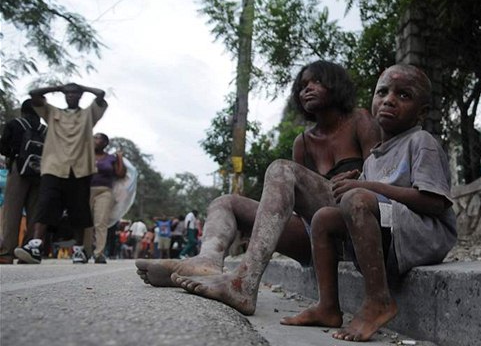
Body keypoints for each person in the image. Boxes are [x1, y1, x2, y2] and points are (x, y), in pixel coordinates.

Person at [136, 60, 380, 297]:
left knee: (281, 169)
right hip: (314, 235)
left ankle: (244, 282)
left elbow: (381, 179)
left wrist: (359, 179)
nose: (307, 89)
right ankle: (206, 261)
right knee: (225, 202)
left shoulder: (360, 120)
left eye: (317, 81)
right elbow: (302, 205)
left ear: (335, 84)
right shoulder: (303, 142)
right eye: (303, 85)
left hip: (355, 225)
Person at [279, 64, 457, 341]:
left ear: (421, 112)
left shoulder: (421, 141)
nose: (389, 100)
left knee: (357, 198)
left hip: (425, 235)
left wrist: (366, 186)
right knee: (325, 217)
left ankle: (378, 300)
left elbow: (435, 203)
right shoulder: (374, 157)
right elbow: (369, 201)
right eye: (382, 92)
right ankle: (327, 306)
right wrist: (356, 181)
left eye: (404, 95)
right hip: (395, 232)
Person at [14, 83, 108, 264]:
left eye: (75, 93)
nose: (71, 96)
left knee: (79, 208)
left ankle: (79, 250)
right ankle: (35, 245)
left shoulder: (89, 114)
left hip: (80, 168)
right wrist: (59, 87)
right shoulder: (52, 112)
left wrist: (81, 87)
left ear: (80, 96)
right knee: (46, 204)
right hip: (54, 167)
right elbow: (34, 94)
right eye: (68, 93)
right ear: (64, 95)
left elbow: (101, 94)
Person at [0, 99, 45, 264]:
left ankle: (7, 252)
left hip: (18, 170)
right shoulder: (44, 129)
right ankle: (27, 250)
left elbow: (3, 147)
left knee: (12, 212)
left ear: (23, 111)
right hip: (40, 173)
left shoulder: (14, 124)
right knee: (34, 213)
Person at [83, 133, 126, 264]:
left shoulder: (110, 158)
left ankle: (99, 253)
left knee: (100, 222)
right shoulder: (86, 155)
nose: (94, 140)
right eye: (93, 137)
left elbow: (120, 174)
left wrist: (119, 158)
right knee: (86, 222)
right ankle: (85, 252)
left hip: (104, 191)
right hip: (86, 191)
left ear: (105, 143)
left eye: (97, 138)